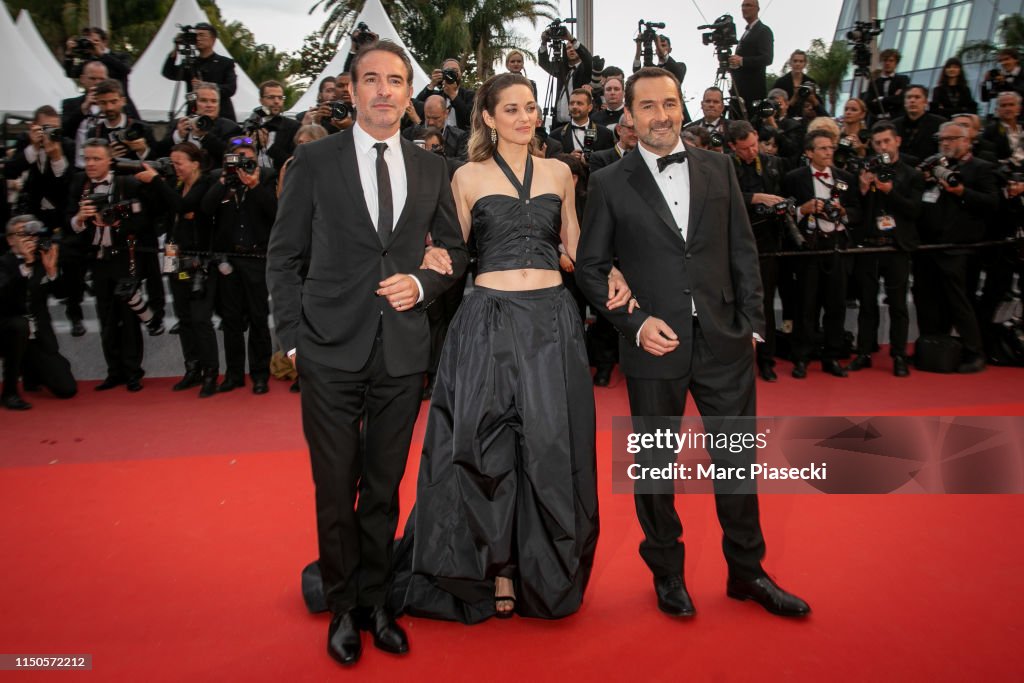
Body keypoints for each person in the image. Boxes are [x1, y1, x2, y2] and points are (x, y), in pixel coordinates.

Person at [390, 72, 632, 624]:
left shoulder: (560, 172)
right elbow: (452, 249)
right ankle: (494, 569)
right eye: (512, 109)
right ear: (489, 117)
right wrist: (430, 263)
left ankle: (537, 569)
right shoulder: (466, 177)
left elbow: (574, 247)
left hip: (552, 323)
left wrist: (611, 271)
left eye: (530, 107)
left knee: (548, 448)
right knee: (486, 449)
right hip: (488, 323)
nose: (525, 117)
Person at [577, 66, 809, 619]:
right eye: (649, 106)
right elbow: (589, 269)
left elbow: (742, 251)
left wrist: (752, 325)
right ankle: (668, 573)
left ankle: (747, 572)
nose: (663, 115)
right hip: (654, 345)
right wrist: (634, 325)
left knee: (737, 464)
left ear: (684, 107)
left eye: (671, 103)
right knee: (656, 469)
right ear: (628, 116)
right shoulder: (610, 181)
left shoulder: (719, 166)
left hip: (723, 342)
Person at [266, 40, 470, 666]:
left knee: (382, 488)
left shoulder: (432, 166)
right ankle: (340, 608)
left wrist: (422, 282)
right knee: (335, 487)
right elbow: (284, 256)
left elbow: (456, 253)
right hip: (328, 350)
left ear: (410, 95)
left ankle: (377, 603)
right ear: (351, 90)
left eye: (396, 81)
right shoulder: (314, 161)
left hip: (402, 352)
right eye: (372, 80)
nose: (384, 90)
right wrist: (293, 341)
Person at [137, 144, 219, 397]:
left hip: (200, 263)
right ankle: (192, 369)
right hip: (175, 257)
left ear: (195, 163)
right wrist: (154, 185)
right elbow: (170, 210)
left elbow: (183, 206)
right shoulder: (175, 186)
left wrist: (157, 182)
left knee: (200, 319)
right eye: (172, 163)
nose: (175, 168)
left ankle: (210, 374)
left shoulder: (205, 184)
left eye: (179, 162)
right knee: (184, 318)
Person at [161, 22, 238, 122]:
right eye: (195, 35)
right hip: (195, 115)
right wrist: (176, 47)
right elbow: (168, 72)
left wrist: (205, 86)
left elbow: (231, 88)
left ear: (213, 40)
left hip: (220, 116)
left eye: (202, 35)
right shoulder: (190, 63)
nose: (198, 38)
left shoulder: (225, 63)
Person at [730, 0, 774, 104]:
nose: (744, 8)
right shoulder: (747, 31)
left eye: (748, 5)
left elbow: (767, 58)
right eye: (743, 6)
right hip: (739, 91)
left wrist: (742, 61)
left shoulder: (764, 30)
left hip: (752, 93)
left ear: (757, 9)